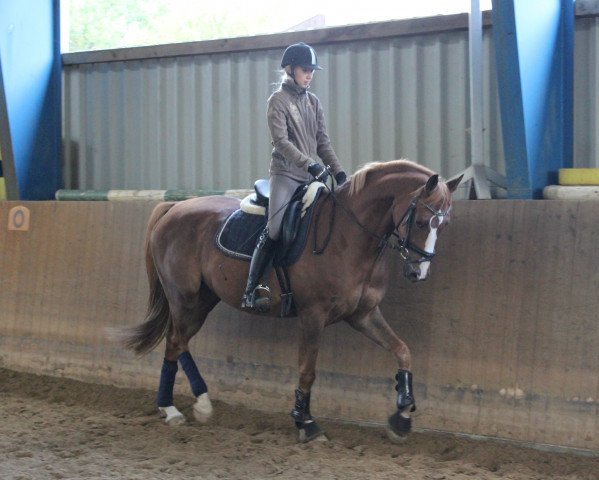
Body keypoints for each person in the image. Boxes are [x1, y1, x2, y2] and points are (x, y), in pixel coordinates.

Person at [241, 42, 347, 312]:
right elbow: (281, 142)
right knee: (275, 229)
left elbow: (323, 141)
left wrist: (338, 170)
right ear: (290, 69)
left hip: (312, 177)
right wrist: (310, 165)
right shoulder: (277, 101)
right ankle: (252, 288)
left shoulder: (313, 102)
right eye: (305, 69)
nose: (310, 74)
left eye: (312, 70)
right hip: (286, 174)